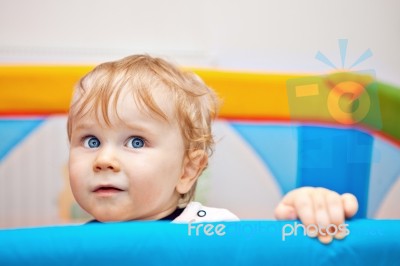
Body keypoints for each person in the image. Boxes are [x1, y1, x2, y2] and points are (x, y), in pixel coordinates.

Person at [67, 54, 358, 244]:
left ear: (188, 169)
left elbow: (261, 255)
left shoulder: (211, 231)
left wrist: (304, 217)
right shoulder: (73, 248)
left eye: (136, 142)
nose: (104, 160)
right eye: (91, 141)